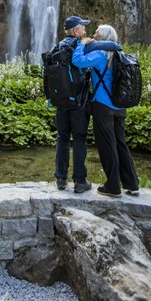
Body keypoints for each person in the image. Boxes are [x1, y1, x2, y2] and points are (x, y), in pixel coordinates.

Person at [72, 24, 139, 198]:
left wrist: (81, 44)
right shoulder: (119, 54)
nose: (94, 35)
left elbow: (77, 61)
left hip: (103, 105)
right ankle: (132, 183)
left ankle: (113, 186)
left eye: (96, 33)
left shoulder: (100, 54)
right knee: (120, 144)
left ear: (103, 37)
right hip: (120, 106)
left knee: (107, 145)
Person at [53, 15, 92, 194]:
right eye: (83, 27)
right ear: (76, 32)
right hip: (78, 102)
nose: (85, 30)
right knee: (79, 138)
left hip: (61, 101)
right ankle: (79, 181)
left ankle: (61, 178)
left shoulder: (58, 46)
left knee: (62, 137)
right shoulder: (81, 46)